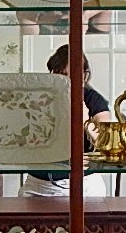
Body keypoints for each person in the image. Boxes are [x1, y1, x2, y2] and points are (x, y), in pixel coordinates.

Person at [19, 45, 114, 197]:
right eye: (62, 75)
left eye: (74, 75)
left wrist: (85, 122)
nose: (68, 81)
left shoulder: (93, 100)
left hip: (83, 184)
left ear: (84, 76)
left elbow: (107, 144)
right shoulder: (40, 99)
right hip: (38, 184)